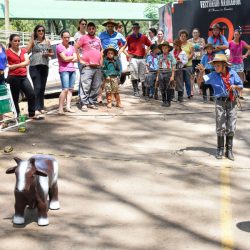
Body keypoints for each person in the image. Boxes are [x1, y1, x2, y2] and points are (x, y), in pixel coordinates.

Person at [197, 54, 243, 161]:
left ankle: (229, 150)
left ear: (224, 65)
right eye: (214, 65)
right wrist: (201, 72)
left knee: (231, 125)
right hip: (220, 102)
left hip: (231, 102)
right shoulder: (213, 75)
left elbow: (240, 86)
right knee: (220, 124)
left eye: (218, 65)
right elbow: (200, 82)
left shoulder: (232, 73)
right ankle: (220, 149)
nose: (215, 67)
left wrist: (234, 87)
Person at [6, 34, 36, 119]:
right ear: (11, 42)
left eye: (19, 41)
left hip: (23, 76)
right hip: (13, 77)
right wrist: (19, 65)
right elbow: (6, 64)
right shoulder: (7, 52)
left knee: (31, 94)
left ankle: (31, 114)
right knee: (15, 98)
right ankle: (17, 115)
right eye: (15, 41)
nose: (17, 42)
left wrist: (15, 66)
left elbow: (27, 62)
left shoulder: (23, 51)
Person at [74, 22, 103, 111]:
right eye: (89, 29)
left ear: (95, 29)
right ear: (87, 30)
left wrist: (101, 62)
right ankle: (84, 103)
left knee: (96, 86)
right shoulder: (83, 38)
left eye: (93, 28)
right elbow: (76, 47)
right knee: (85, 85)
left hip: (97, 66)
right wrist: (80, 60)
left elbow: (101, 50)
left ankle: (91, 102)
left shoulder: (98, 39)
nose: (91, 30)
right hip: (87, 67)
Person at [26, 25, 53, 117]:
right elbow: (26, 51)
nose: (41, 32)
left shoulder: (47, 41)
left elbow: (51, 53)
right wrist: (31, 38)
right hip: (34, 66)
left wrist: (48, 54)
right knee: (37, 87)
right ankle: (35, 108)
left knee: (42, 88)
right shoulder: (33, 41)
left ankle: (41, 107)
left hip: (44, 66)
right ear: (36, 32)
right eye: (39, 30)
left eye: (42, 30)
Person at [98, 19, 126, 103]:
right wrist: (101, 51)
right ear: (106, 26)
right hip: (105, 57)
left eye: (112, 26)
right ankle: (100, 96)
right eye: (108, 26)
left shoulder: (118, 34)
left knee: (115, 75)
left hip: (115, 57)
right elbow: (98, 43)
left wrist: (121, 50)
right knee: (103, 76)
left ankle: (114, 96)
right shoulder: (101, 34)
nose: (110, 27)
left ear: (114, 27)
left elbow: (125, 42)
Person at [121, 23, 152, 97]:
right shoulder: (129, 37)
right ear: (132, 29)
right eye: (134, 28)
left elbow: (150, 44)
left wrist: (146, 53)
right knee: (134, 74)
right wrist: (128, 55)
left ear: (139, 28)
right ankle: (135, 90)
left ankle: (143, 91)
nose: (135, 29)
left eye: (137, 28)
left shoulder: (143, 37)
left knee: (142, 75)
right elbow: (123, 47)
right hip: (133, 58)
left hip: (142, 58)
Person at [56, 30, 77, 115]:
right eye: (65, 37)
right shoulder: (59, 47)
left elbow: (76, 59)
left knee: (70, 89)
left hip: (72, 69)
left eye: (68, 37)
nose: (67, 39)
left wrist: (70, 58)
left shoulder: (72, 47)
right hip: (64, 70)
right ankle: (60, 108)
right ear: (62, 38)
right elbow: (64, 59)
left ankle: (68, 107)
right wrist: (72, 57)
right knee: (65, 89)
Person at [229, 29, 250, 99]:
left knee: (240, 79)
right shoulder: (230, 43)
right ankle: (233, 93)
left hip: (240, 63)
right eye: (235, 34)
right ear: (233, 35)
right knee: (232, 78)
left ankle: (240, 94)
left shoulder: (242, 43)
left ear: (239, 35)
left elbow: (249, 48)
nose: (236, 36)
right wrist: (227, 57)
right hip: (232, 63)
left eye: (237, 35)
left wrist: (245, 55)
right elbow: (224, 49)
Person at [157, 41, 176, 107]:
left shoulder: (171, 56)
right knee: (162, 87)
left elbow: (173, 66)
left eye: (166, 48)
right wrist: (157, 77)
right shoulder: (159, 57)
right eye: (163, 48)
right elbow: (159, 67)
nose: (164, 49)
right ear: (161, 49)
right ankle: (163, 100)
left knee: (168, 87)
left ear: (168, 48)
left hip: (168, 72)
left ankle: (168, 101)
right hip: (161, 73)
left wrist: (172, 76)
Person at [179, 29, 194, 99]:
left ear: (186, 37)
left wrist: (186, 59)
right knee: (180, 80)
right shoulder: (178, 44)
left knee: (188, 80)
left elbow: (192, 54)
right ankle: (180, 95)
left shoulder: (190, 44)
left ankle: (189, 94)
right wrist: (181, 61)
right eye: (182, 36)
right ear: (180, 37)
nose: (183, 37)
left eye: (184, 36)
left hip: (188, 65)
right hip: (180, 66)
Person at [0, 43, 7, 128]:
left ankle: (2, 121)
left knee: (2, 98)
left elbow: (6, 62)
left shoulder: (3, 47)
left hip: (2, 75)